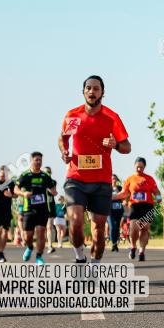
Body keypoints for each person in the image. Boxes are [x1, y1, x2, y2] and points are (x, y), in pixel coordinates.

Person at [58, 75, 131, 263]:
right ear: (83, 92)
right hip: (76, 178)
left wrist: (115, 144)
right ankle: (79, 257)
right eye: (88, 88)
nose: (92, 92)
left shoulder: (111, 118)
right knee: (75, 222)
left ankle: (95, 263)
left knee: (98, 231)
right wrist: (64, 151)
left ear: (103, 93)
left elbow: (127, 147)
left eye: (96, 88)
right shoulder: (73, 116)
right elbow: (63, 139)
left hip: (101, 181)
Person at [15, 151, 59, 265]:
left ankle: (39, 256)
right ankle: (29, 247)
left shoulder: (45, 176)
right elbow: (15, 189)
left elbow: (52, 189)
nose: (38, 162)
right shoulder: (25, 176)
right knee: (27, 236)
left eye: (40, 160)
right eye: (36, 160)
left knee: (41, 232)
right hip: (28, 209)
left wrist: (54, 192)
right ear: (31, 161)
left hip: (42, 209)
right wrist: (23, 194)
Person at [114, 157, 160, 263]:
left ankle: (142, 252)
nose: (139, 169)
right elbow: (124, 193)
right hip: (135, 206)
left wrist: (158, 198)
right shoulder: (130, 179)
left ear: (144, 167)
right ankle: (133, 246)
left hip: (147, 206)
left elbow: (156, 191)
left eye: (141, 167)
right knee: (134, 228)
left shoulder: (149, 179)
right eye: (137, 167)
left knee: (145, 229)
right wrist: (111, 197)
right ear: (134, 166)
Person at [43, 166, 57, 253]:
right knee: (41, 227)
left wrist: (47, 185)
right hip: (41, 206)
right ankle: (42, 244)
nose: (47, 173)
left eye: (49, 172)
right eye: (46, 172)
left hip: (50, 206)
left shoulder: (53, 182)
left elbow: (54, 192)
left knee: (49, 226)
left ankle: (50, 245)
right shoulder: (39, 181)